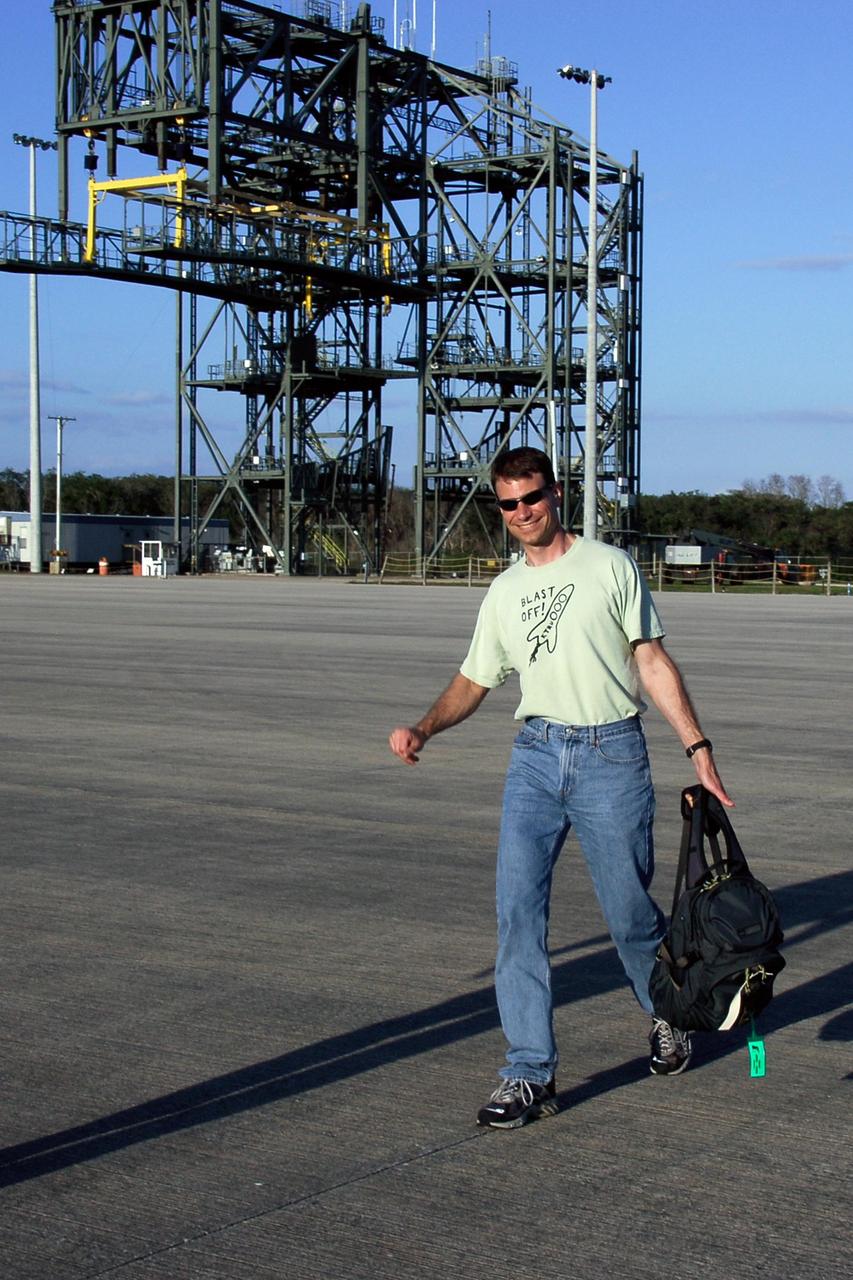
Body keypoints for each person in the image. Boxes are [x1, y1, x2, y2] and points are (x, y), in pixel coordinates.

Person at [388, 446, 733, 1130]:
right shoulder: (504, 591)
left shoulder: (608, 566)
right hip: (535, 757)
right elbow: (474, 680)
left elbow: (651, 659)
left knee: (631, 918)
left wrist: (697, 748)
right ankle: (527, 1072)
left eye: (532, 498)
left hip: (611, 754)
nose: (522, 513)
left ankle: (666, 1017)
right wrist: (425, 727)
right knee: (517, 916)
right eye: (508, 504)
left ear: (555, 494)